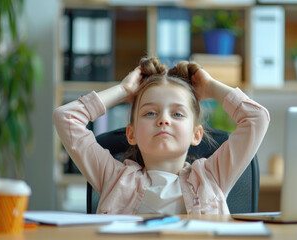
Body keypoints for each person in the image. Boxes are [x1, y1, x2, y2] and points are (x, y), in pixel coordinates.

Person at [53, 57, 270, 215]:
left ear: (196, 134)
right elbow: (66, 117)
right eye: (149, 113)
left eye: (177, 113)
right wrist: (122, 90)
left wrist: (211, 87)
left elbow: (257, 118)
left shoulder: (213, 176)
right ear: (132, 133)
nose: (163, 120)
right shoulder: (113, 178)